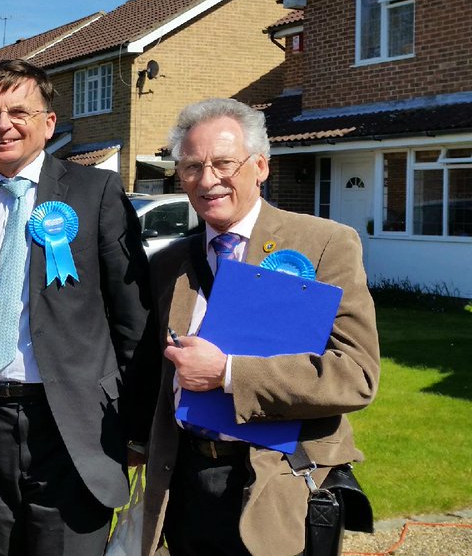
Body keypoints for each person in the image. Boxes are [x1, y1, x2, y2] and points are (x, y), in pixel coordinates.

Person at [127, 98, 380, 556]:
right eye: (191, 167)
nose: (207, 180)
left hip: (277, 486)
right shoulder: (168, 263)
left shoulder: (325, 244)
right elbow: (149, 372)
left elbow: (356, 375)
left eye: (224, 163)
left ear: (260, 166)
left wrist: (227, 373)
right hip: (186, 486)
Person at [0, 59, 151, 555]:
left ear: (49, 123)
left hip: (74, 427)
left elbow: (132, 318)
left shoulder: (95, 193)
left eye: (18, 112)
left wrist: (137, 427)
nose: (2, 125)